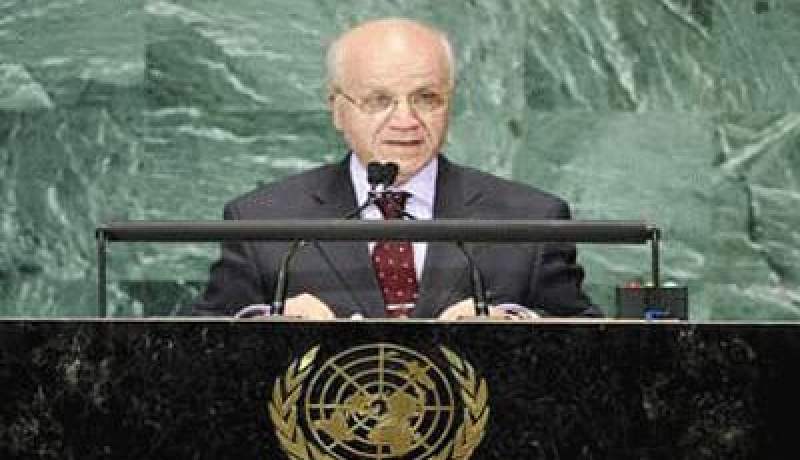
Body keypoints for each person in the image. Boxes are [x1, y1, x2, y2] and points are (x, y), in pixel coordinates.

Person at [192, 18, 600, 319]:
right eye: (378, 100)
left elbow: (594, 351)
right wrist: (268, 323)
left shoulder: (531, 220)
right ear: (337, 109)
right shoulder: (262, 221)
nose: (405, 120)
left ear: (450, 103)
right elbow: (201, 348)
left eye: (426, 98)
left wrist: (517, 324)